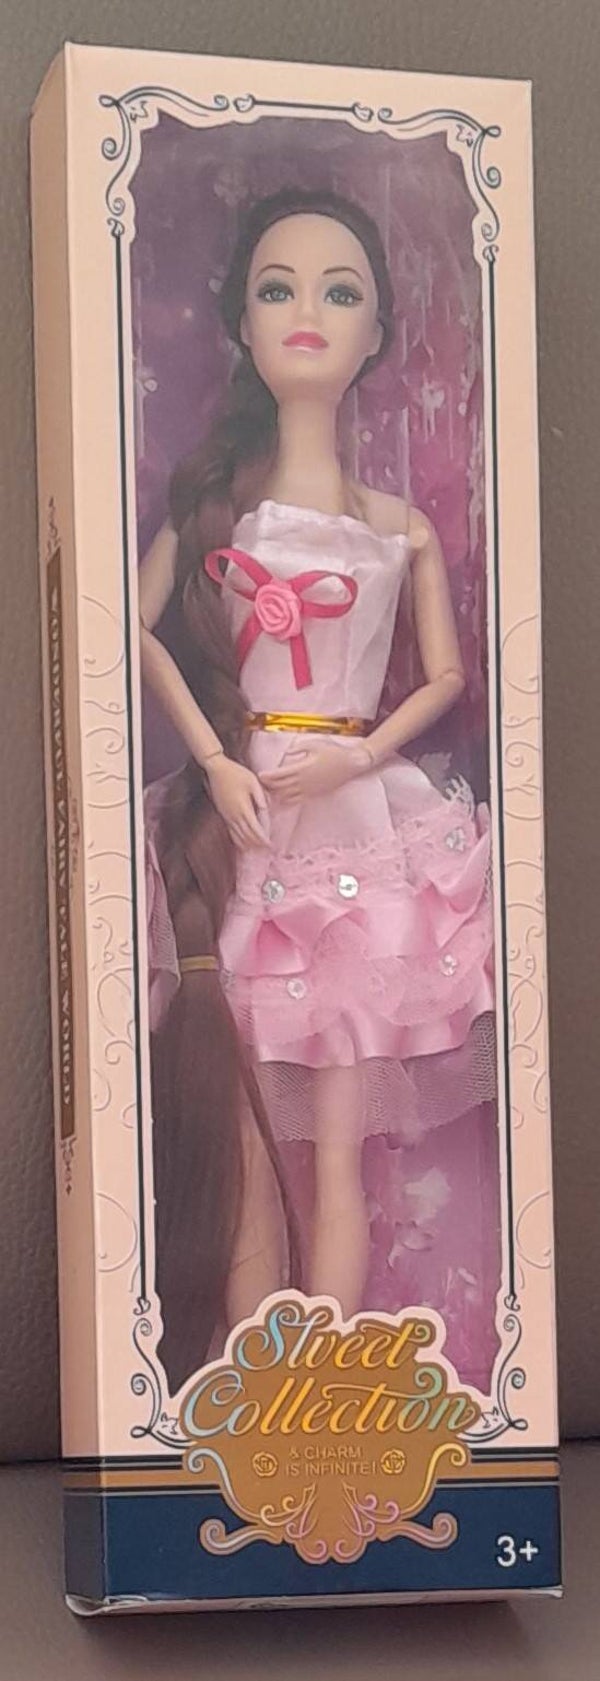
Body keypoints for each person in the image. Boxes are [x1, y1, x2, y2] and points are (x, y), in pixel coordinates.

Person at [140, 186, 495, 1394]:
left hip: (357, 825)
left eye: (341, 291)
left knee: (339, 1149)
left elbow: (446, 677)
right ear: (240, 324)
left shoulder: (400, 528)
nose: (308, 312)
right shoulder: (217, 514)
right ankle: (253, 1393)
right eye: (278, 288)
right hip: (242, 828)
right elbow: (133, 629)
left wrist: (359, 752)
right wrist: (214, 755)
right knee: (245, 1145)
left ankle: (322, 1395)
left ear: (379, 332)